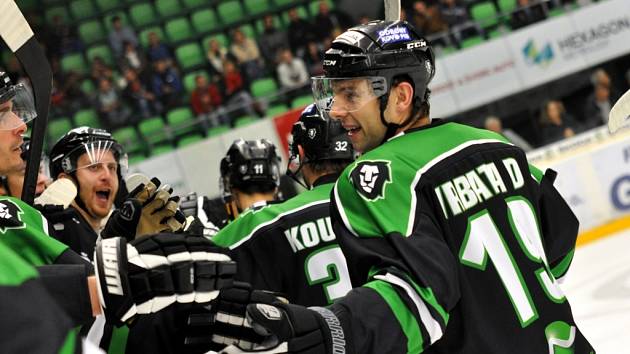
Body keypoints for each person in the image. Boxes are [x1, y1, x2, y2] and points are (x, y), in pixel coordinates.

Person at [219, 20, 594, 353]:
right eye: (334, 94)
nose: (334, 110)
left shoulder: (375, 174)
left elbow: (416, 299)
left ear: (400, 97)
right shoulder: (493, 144)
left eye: (350, 94)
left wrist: (327, 329)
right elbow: (559, 241)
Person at [0, 71, 236, 352]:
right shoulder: (41, 220)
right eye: (94, 167)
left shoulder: (51, 223)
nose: (107, 177)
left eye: (112, 168)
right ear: (65, 178)